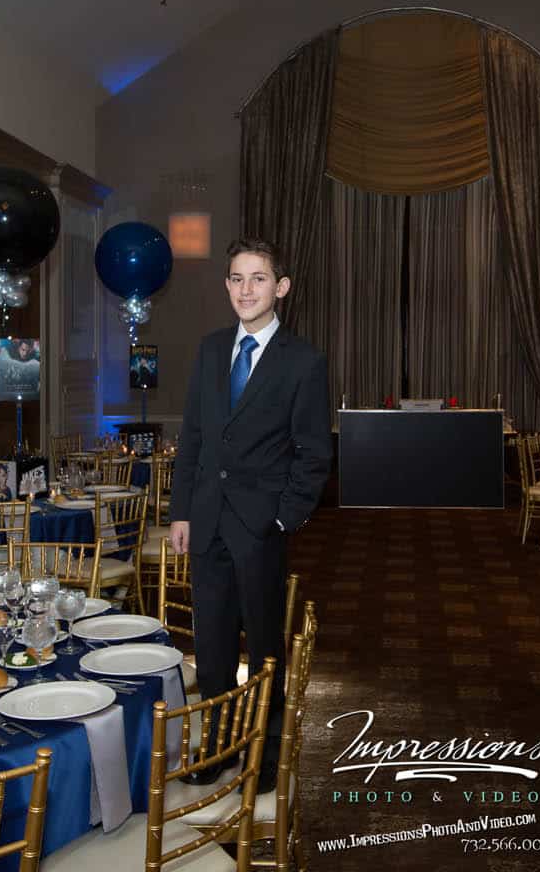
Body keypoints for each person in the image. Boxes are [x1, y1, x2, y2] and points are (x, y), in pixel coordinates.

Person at [168, 238, 332, 793]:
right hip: (207, 521)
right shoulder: (212, 350)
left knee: (264, 650)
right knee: (210, 650)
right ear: (226, 286)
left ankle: (263, 758)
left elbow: (314, 454)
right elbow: (192, 437)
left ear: (280, 287)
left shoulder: (304, 361)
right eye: (237, 279)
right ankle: (215, 749)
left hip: (261, 528)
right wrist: (181, 512)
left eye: (258, 279)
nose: (246, 289)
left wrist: (284, 519)